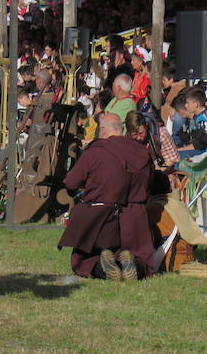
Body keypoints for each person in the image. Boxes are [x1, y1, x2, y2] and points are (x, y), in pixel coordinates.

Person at [58, 112, 154, 280]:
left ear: (102, 130)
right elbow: (152, 182)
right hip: (134, 218)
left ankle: (104, 267)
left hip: (101, 217)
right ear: (122, 129)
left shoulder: (95, 152)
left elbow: (71, 182)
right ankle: (134, 265)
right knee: (141, 259)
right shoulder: (142, 152)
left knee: (85, 261)